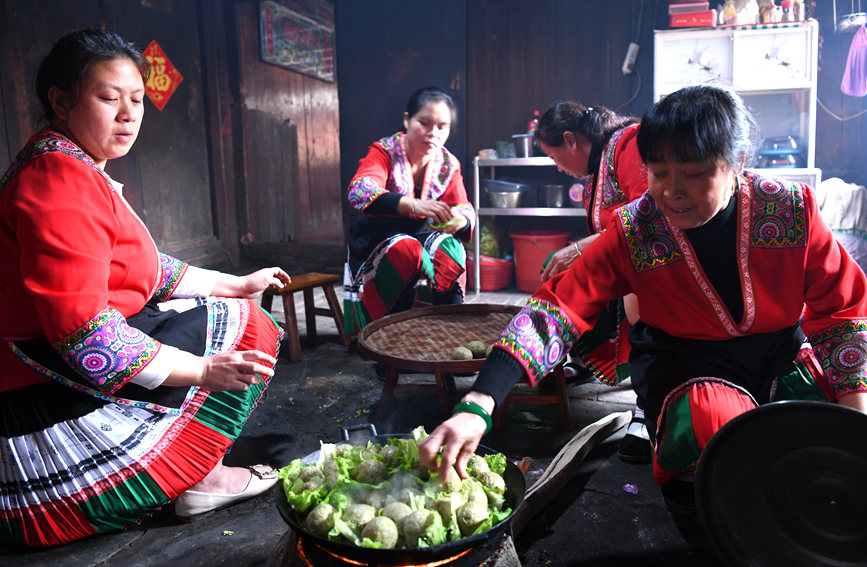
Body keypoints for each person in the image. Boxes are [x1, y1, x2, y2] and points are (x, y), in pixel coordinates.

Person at [418, 84, 867, 510]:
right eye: (658, 173)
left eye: (694, 173)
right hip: (690, 369)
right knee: (722, 434)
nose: (673, 191)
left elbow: (844, 311)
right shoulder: (637, 229)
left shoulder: (790, 209)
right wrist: (480, 403)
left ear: (737, 162)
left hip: (780, 361)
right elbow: (556, 309)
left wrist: (854, 421)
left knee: (828, 436)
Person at [0, 29, 292, 547]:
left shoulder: (69, 163)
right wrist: (203, 370)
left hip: (55, 365)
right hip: (45, 395)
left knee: (228, 305)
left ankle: (197, 468)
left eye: (137, 100)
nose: (128, 114)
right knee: (248, 326)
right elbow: (86, 337)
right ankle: (197, 474)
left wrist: (234, 281)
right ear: (61, 102)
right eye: (109, 99)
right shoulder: (58, 180)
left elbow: (140, 269)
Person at [534, 101, 651, 462]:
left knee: (636, 300)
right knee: (559, 284)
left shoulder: (628, 143)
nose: (559, 168)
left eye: (556, 158)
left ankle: (648, 412)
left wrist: (578, 249)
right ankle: (567, 359)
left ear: (570, 140)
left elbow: (647, 208)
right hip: (628, 258)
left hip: (658, 256)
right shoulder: (600, 165)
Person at [343, 86, 475, 338]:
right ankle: (388, 341)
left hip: (420, 235)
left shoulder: (448, 164)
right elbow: (360, 190)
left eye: (442, 127)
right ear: (407, 119)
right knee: (406, 250)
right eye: (424, 123)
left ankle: (450, 336)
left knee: (450, 249)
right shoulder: (384, 152)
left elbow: (463, 207)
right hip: (376, 238)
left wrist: (458, 221)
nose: (432, 133)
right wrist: (411, 204)